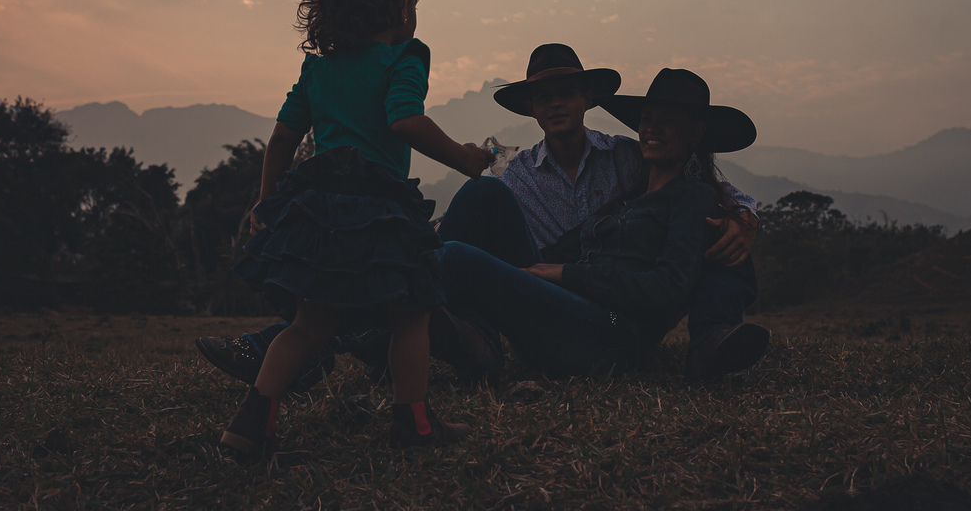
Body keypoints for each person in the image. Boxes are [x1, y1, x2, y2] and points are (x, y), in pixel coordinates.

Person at [197, 44, 767, 386]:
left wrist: (743, 221)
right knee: (476, 202)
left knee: (448, 259)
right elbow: (478, 229)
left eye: (567, 91)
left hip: (588, 306)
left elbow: (711, 198)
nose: (555, 102)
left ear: (587, 99)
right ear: (531, 109)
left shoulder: (631, 159)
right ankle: (435, 332)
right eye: (542, 96)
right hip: (547, 287)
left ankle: (316, 341)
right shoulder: (527, 175)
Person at [216, 0, 492, 456]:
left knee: (308, 325)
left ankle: (248, 426)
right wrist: (464, 158)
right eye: (414, 2)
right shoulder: (404, 58)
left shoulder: (318, 69)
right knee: (411, 315)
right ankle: (414, 424)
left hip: (320, 212)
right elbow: (404, 120)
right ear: (400, 5)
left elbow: (282, 138)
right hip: (380, 210)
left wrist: (267, 202)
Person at [437, 68, 765, 376]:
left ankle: (711, 337)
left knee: (454, 257)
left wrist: (744, 216)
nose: (652, 129)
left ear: (695, 132)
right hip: (568, 313)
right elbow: (554, 256)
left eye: (667, 122)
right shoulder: (622, 198)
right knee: (480, 194)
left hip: (610, 332)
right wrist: (508, 268)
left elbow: (666, 288)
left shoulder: (689, 196)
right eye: (646, 120)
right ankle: (476, 338)